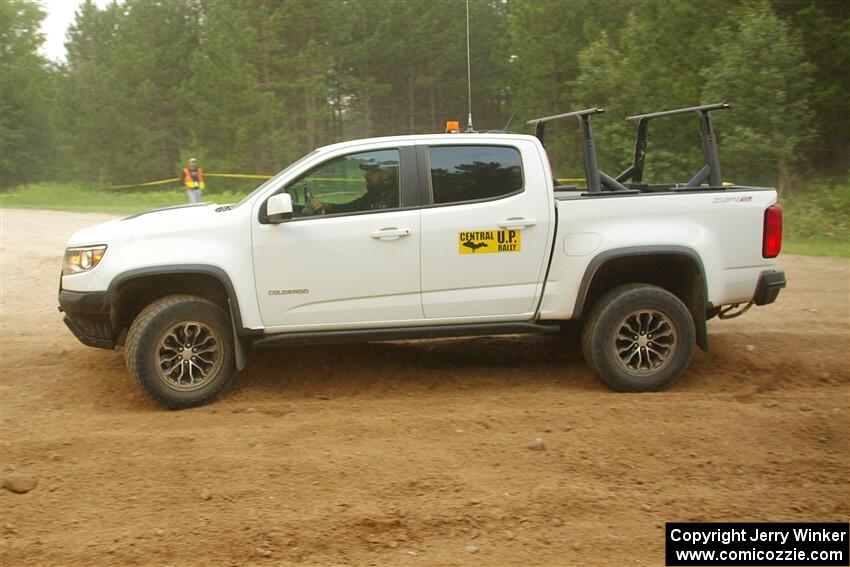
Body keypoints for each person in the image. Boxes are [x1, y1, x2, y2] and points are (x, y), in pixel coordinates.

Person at [307, 162, 398, 214]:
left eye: (372, 172)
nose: (366, 175)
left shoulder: (392, 198)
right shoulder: (374, 195)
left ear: (386, 174)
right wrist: (327, 207)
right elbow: (352, 207)